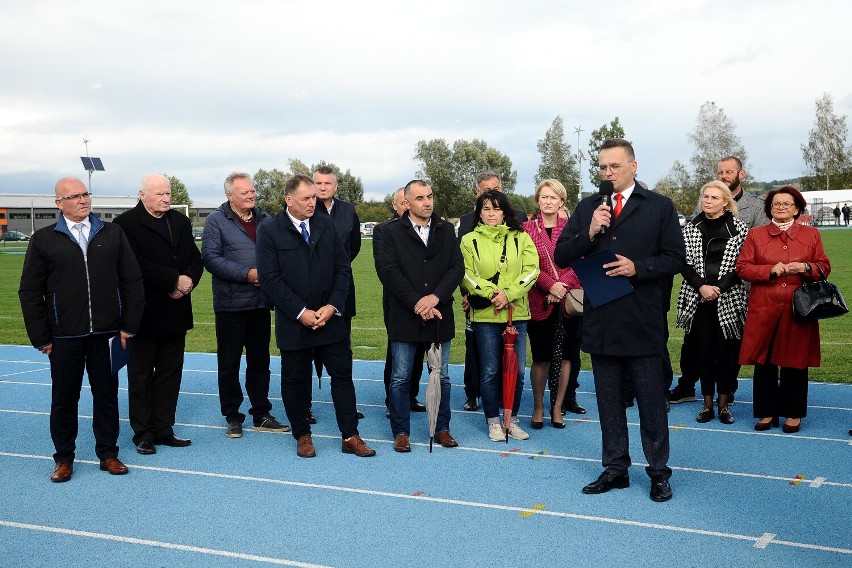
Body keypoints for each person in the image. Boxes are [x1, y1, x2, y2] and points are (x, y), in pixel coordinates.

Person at [555, 138, 685, 502]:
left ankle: (659, 472)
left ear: (633, 165)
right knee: (609, 401)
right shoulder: (587, 208)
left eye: (614, 166)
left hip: (642, 319)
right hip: (601, 320)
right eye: (602, 167)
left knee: (651, 402)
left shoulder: (659, 206)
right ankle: (615, 468)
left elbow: (676, 258)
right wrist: (590, 231)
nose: (608, 173)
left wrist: (637, 267)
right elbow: (563, 254)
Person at [19, 177, 145, 482]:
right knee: (64, 398)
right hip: (63, 337)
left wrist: (128, 326)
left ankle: (108, 454)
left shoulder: (112, 233)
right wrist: (42, 338)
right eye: (74, 196)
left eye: (85, 194)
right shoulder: (44, 239)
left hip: (109, 335)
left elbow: (132, 281)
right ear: (59, 203)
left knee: (107, 395)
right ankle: (63, 458)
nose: (83, 200)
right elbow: (30, 291)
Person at [256, 174, 375, 458]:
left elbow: (342, 269)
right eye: (307, 198)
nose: (313, 203)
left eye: (314, 198)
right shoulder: (270, 231)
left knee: (342, 376)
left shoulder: (327, 224)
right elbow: (270, 279)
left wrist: (333, 306)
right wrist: (300, 312)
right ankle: (303, 435)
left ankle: (350, 435)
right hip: (294, 322)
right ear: (289, 200)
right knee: (294, 380)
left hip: (330, 319)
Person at [113, 173, 203, 455]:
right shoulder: (125, 224)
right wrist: (171, 281)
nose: (166, 198)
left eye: (168, 193)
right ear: (143, 195)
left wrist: (187, 280)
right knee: (140, 375)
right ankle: (143, 433)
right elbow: (133, 265)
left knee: (170, 373)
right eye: (160, 194)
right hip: (143, 314)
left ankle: (164, 428)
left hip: (176, 311)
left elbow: (194, 258)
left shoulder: (180, 221)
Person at [669, 156, 766, 405]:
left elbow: (757, 246)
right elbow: (688, 251)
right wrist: (701, 285)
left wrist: (723, 286)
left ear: (740, 174)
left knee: (728, 344)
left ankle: (726, 391)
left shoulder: (755, 207)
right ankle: (689, 386)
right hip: (698, 290)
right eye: (720, 171)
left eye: (729, 171)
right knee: (694, 344)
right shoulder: (698, 216)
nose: (723, 175)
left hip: (735, 289)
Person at [737, 186, 830, 433]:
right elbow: (742, 268)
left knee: (795, 362)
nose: (781, 207)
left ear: (797, 208)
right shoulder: (755, 234)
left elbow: (824, 267)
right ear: (769, 208)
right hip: (764, 307)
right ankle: (766, 412)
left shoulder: (811, 235)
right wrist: (769, 270)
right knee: (764, 362)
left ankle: (793, 413)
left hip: (799, 309)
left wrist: (805, 267)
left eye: (787, 204)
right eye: (776, 203)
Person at [201, 172, 289, 438]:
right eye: (244, 192)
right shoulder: (216, 221)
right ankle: (232, 416)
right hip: (230, 306)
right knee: (228, 364)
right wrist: (247, 274)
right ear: (230, 195)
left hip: (261, 304)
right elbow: (211, 258)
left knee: (260, 362)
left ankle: (261, 413)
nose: (251, 195)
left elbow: (280, 253)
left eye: (252, 191)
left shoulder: (266, 220)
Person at [379, 180, 464, 452]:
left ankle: (442, 428)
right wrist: (418, 303)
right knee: (401, 377)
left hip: (439, 315)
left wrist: (434, 298)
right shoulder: (387, 232)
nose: (427, 202)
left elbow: (456, 268)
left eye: (430, 196)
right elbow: (389, 272)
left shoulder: (446, 229)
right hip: (404, 316)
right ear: (407, 202)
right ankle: (401, 432)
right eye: (420, 198)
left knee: (442, 376)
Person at [461, 190, 539, 442]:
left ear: (504, 211)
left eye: (495, 208)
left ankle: (511, 419)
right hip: (485, 316)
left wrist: (508, 293)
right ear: (479, 213)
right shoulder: (469, 240)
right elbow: (467, 274)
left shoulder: (521, 237)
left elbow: (531, 271)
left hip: (516, 316)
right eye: (486, 209)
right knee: (490, 371)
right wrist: (492, 292)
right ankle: (493, 421)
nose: (491, 214)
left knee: (517, 372)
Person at [675, 181, 748, 425]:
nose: (707, 201)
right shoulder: (691, 227)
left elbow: (742, 264)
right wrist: (701, 286)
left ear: (726, 202)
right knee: (703, 353)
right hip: (697, 298)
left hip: (729, 298)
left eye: (714, 197)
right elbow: (682, 262)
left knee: (727, 353)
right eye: (705, 196)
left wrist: (719, 288)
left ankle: (724, 404)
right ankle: (707, 404)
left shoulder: (739, 228)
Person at [457, 171, 527, 411]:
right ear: (478, 193)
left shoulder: (518, 225)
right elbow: (463, 267)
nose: (491, 198)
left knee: (512, 366)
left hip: (513, 306)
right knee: (478, 355)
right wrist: (467, 294)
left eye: (495, 188)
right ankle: (473, 394)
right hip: (479, 302)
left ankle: (506, 406)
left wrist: (509, 293)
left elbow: (529, 268)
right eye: (486, 190)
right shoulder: (467, 225)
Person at [522, 179, 585, 431]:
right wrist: (550, 286)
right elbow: (525, 265)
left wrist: (561, 288)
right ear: (537, 200)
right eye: (544, 197)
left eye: (554, 197)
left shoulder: (572, 229)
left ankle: (557, 406)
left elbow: (579, 261)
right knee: (541, 357)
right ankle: (538, 406)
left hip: (568, 301)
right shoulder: (526, 229)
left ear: (562, 202)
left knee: (568, 356)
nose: (548, 201)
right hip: (539, 299)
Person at [311, 165, 363, 423]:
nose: (322, 187)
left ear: (336, 186)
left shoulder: (348, 210)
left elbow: (354, 247)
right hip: (311, 290)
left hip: (342, 289)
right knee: (308, 351)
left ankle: (346, 405)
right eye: (318, 183)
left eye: (327, 183)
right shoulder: (304, 209)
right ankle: (305, 405)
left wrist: (337, 269)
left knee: (343, 350)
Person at [373, 187, 426, 417]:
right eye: (403, 203)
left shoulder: (427, 228)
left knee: (420, 349)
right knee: (397, 353)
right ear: (395, 205)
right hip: (397, 301)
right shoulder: (384, 231)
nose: (407, 206)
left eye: (409, 201)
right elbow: (385, 270)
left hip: (426, 302)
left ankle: (411, 395)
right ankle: (392, 400)